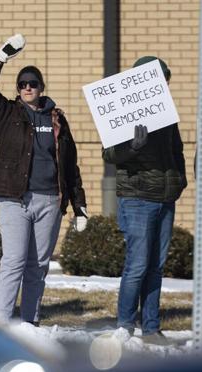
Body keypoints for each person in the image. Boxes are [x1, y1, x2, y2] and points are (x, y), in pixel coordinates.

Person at [0, 34, 87, 325]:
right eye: (23, 84)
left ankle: (30, 323)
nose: (27, 87)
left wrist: (80, 205)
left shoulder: (57, 119)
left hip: (50, 199)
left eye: (33, 83)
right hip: (14, 198)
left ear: (41, 88)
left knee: (38, 265)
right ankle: (1, 324)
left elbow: (70, 164)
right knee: (13, 261)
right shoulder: (7, 113)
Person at [103, 56, 185, 343]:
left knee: (156, 266)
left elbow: (177, 149)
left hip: (164, 197)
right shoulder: (124, 111)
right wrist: (133, 147)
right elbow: (110, 155)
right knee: (137, 265)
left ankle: (151, 327)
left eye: (164, 78)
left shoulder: (165, 112)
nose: (161, 83)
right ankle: (125, 325)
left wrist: (179, 180)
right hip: (138, 198)